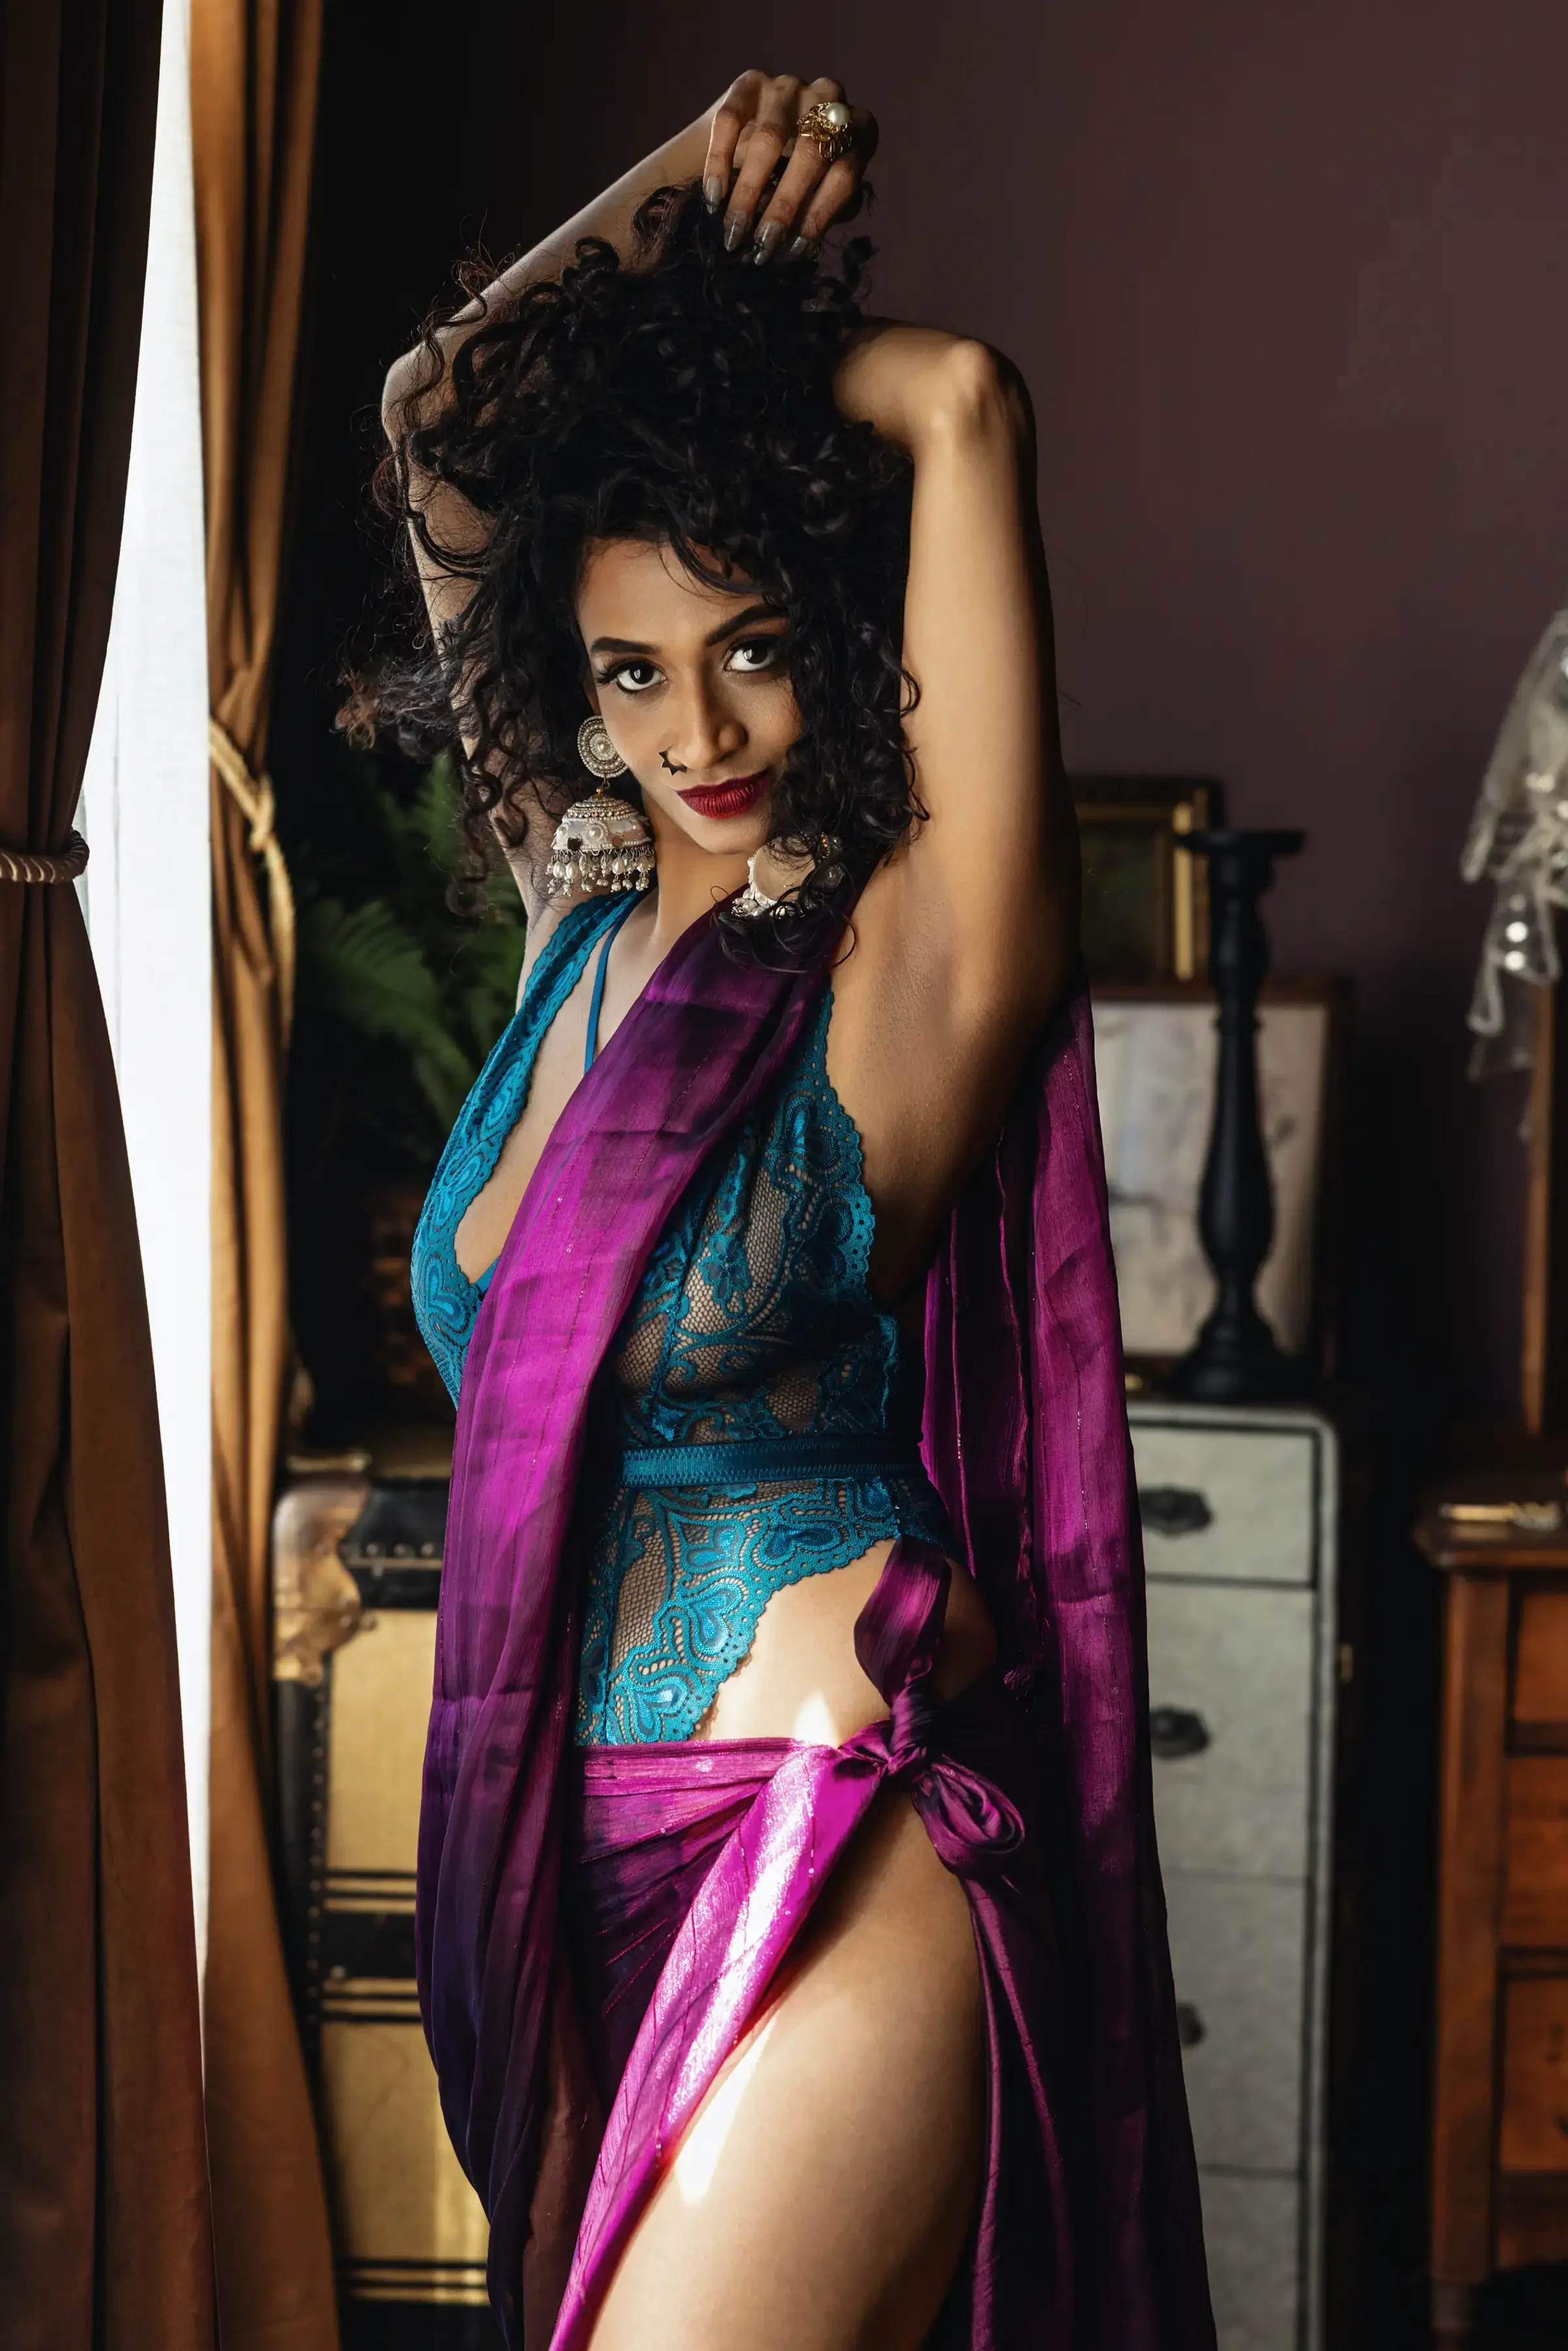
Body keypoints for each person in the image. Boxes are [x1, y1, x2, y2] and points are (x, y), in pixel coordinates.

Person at [368, 67, 1213, 2351]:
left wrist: (752, 351)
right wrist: (674, 220)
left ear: (832, 635)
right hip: (569, 1851)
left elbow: (959, 396)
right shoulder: (587, 906)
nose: (695, 730)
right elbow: (446, 411)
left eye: (752, 646)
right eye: (632, 671)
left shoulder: (904, 973)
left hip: (833, 1841)